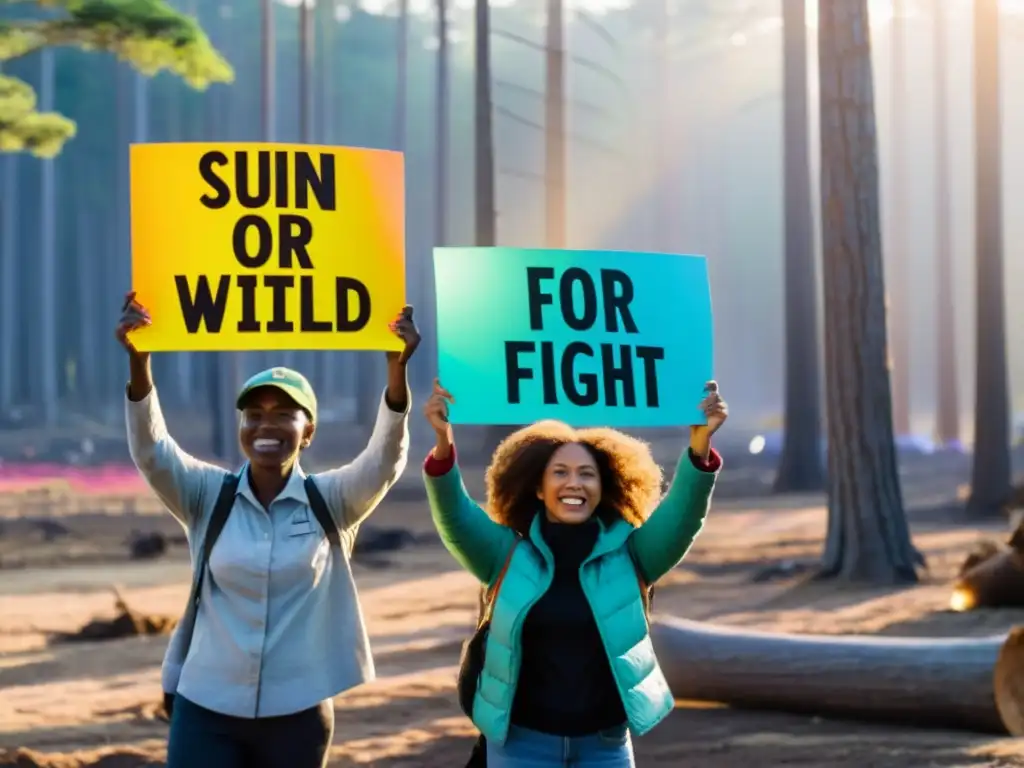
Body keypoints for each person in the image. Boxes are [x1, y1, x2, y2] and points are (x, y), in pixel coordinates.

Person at [115, 291, 419, 768]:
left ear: (309, 429)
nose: (267, 425)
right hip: (205, 706)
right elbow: (153, 451)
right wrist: (140, 363)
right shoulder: (206, 495)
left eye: (284, 415)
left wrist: (396, 374)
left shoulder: (331, 501)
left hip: (298, 712)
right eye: (254, 415)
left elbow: (384, 460)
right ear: (241, 425)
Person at [421, 378, 728, 768]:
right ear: (537, 488)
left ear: (605, 487)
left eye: (587, 474)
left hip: (604, 747)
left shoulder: (633, 554)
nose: (574, 483)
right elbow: (454, 517)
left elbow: (683, 517)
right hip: (520, 746)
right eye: (560, 472)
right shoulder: (505, 555)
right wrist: (443, 441)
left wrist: (699, 446)